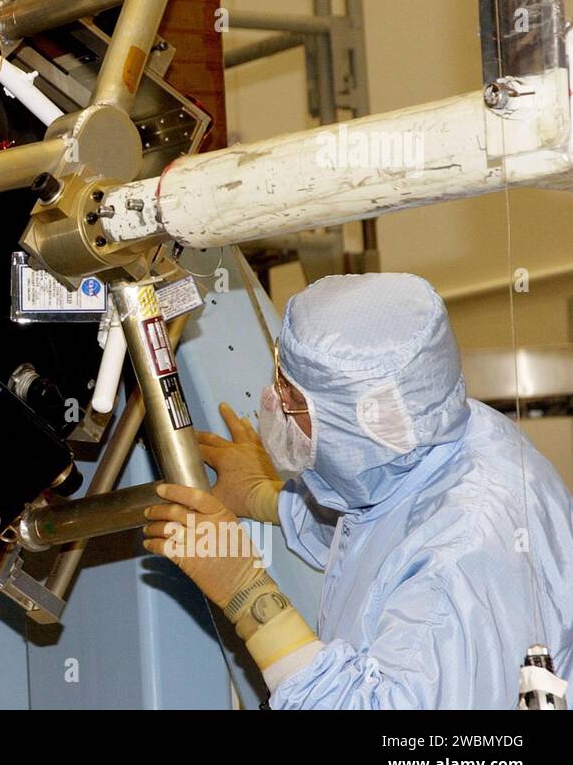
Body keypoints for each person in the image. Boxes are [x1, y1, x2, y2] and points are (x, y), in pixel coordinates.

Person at [143, 272, 573, 708]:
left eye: (292, 399)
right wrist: (264, 497)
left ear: (358, 421)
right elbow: (382, 530)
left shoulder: (457, 564)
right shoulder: (443, 431)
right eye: (279, 377)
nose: (273, 404)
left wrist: (247, 594)